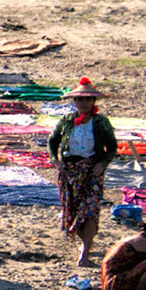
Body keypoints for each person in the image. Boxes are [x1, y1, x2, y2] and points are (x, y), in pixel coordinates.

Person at [48, 77, 117, 267]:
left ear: (93, 102)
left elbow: (112, 147)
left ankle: (85, 253)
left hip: (92, 171)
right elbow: (53, 141)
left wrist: (103, 163)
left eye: (88, 99)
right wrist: (57, 161)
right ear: (75, 102)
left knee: (90, 209)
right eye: (80, 100)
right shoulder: (67, 120)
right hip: (70, 171)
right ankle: (83, 244)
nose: (84, 103)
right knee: (73, 209)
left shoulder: (101, 122)